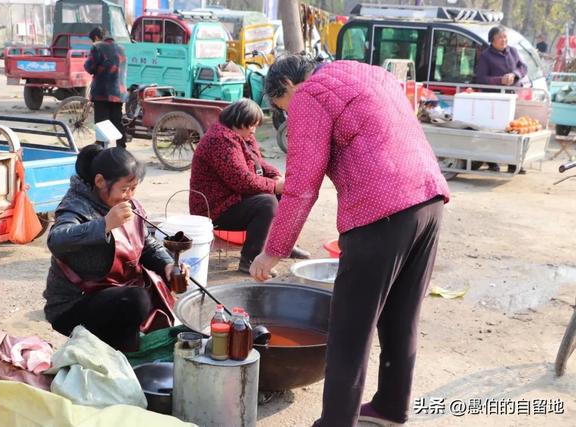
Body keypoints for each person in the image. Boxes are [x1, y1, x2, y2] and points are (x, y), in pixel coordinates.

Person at [250, 55, 450, 427]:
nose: (289, 116)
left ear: (289, 88)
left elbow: (300, 188)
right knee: (401, 316)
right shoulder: (371, 72)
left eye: (284, 109)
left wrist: (271, 252)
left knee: (349, 329)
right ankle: (391, 408)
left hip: (380, 212)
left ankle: (336, 422)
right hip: (429, 201)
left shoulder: (310, 94)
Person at [43, 145, 189, 352]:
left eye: (133, 188)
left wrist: (166, 265)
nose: (129, 196)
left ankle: (121, 351)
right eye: (124, 189)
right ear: (100, 181)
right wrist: (104, 224)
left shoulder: (130, 206)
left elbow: (146, 243)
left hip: (116, 291)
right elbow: (56, 239)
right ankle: (119, 355)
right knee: (135, 300)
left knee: (155, 290)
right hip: (75, 304)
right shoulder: (76, 205)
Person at [189, 98, 310, 275]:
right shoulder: (219, 140)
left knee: (286, 194)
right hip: (214, 208)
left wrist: (276, 176)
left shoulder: (244, 136)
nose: (254, 130)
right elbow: (242, 180)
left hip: (234, 198)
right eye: (251, 125)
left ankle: (282, 246)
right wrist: (276, 186)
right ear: (239, 121)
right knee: (267, 203)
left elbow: (258, 162)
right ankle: (251, 260)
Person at [475, 25, 528, 173]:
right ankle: (492, 162)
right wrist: (501, 80)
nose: (504, 40)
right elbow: (481, 79)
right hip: (495, 100)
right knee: (496, 131)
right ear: (492, 40)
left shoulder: (513, 51)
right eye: (500, 37)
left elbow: (523, 67)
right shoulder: (486, 56)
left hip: (513, 96)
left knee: (514, 130)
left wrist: (515, 74)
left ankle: (514, 164)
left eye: (505, 37)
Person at [84, 26, 128, 148]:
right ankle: (121, 148)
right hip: (119, 92)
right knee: (117, 121)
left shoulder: (97, 47)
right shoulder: (121, 48)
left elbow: (89, 67)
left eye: (93, 39)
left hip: (102, 92)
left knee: (102, 123)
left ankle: (102, 149)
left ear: (96, 37)